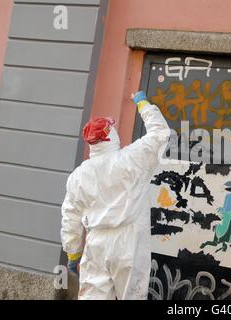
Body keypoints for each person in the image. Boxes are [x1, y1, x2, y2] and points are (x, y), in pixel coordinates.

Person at [61, 91, 170, 300]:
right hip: (129, 242)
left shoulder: (79, 175)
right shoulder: (132, 159)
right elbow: (159, 133)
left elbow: (70, 215)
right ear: (111, 135)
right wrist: (143, 104)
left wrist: (73, 251)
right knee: (132, 295)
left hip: (96, 243)